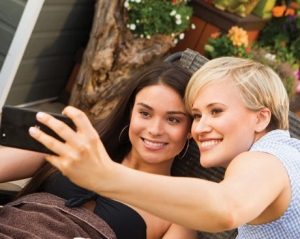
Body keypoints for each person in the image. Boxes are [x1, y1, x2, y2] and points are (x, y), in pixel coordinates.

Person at [30, 56, 300, 238]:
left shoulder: (268, 157)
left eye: (216, 111)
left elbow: (225, 207)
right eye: (196, 115)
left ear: (261, 117)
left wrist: (106, 177)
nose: (200, 128)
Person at [0, 62, 197, 238]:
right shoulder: (77, 146)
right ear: (131, 113)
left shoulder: (178, 213)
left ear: (191, 128)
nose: (154, 130)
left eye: (173, 119)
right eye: (145, 113)